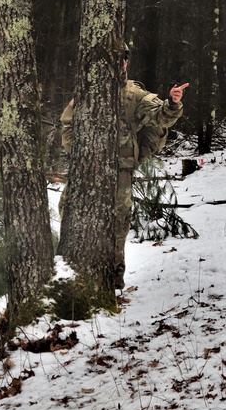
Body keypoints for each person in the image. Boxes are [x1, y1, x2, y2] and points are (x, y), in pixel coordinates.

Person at [60, 43, 188, 289]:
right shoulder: (87, 92)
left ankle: (113, 276)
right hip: (86, 168)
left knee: (118, 220)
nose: (120, 64)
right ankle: (68, 271)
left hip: (120, 170)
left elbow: (160, 114)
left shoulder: (133, 94)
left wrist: (172, 103)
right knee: (70, 211)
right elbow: (67, 125)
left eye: (124, 60)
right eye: (116, 60)